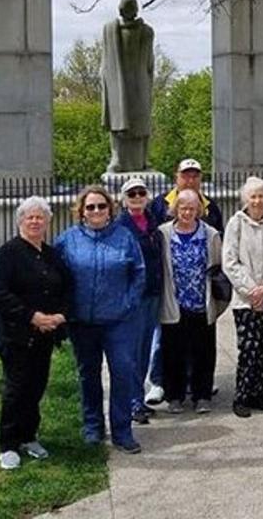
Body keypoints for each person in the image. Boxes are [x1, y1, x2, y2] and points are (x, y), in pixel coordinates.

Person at [56, 185, 146, 454]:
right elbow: (55, 276)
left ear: (110, 209)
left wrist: (128, 303)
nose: (96, 211)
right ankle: (93, 427)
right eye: (90, 207)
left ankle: (122, 430)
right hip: (82, 322)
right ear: (82, 211)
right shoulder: (67, 240)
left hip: (118, 321)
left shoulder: (124, 237)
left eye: (101, 206)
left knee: (122, 373)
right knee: (88, 375)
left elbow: (139, 273)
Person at [0, 196, 71, 470]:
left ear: (48, 222)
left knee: (36, 386)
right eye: (30, 217)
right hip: (16, 334)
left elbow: (65, 288)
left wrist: (59, 316)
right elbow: (0, 294)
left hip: (45, 334)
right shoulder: (7, 254)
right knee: (16, 389)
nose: (35, 221)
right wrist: (33, 317)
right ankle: (8, 444)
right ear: (20, 221)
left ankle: (29, 436)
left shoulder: (51, 254)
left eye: (40, 217)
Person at [147, 157, 224, 406]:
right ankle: (166, 388)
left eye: (195, 175)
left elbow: (219, 259)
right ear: (176, 177)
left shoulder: (212, 210)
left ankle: (200, 390)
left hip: (201, 298)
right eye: (186, 175)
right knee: (169, 348)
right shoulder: (159, 207)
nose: (190, 180)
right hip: (173, 297)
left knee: (202, 348)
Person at [221, 176, 263, 418]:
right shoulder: (235, 224)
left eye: (261, 196)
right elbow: (229, 261)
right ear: (245, 199)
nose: (257, 201)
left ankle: (258, 393)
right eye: (253, 196)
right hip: (245, 298)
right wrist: (252, 290)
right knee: (248, 348)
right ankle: (242, 396)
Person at [117, 176, 166, 425]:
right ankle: (133, 402)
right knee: (133, 352)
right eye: (131, 193)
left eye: (140, 193)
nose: (137, 197)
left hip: (153, 293)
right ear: (123, 198)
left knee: (146, 348)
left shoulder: (153, 222)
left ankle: (139, 398)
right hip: (134, 297)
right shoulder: (121, 226)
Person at [101, 0, 156, 173]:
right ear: (120, 10)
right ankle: (116, 158)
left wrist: (147, 82)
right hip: (117, 82)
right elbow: (106, 59)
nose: (129, 12)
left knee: (142, 122)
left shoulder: (146, 31)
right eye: (126, 8)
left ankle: (143, 160)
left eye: (132, 8)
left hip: (139, 82)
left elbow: (150, 61)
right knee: (117, 121)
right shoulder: (110, 29)